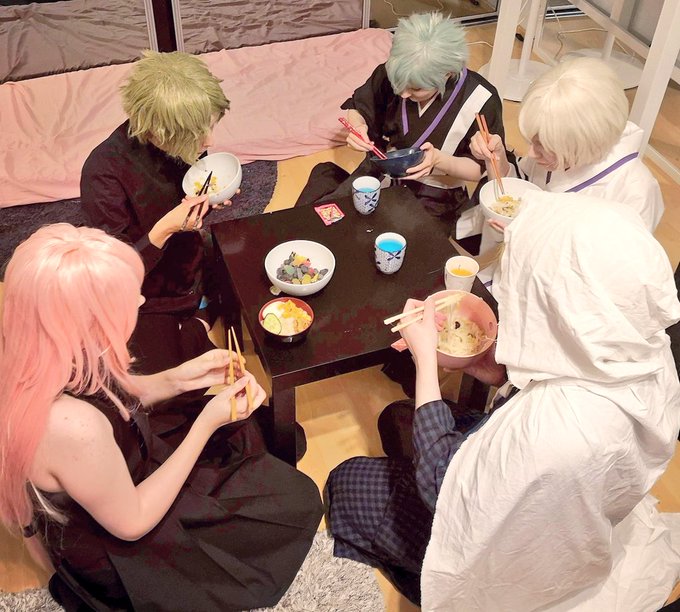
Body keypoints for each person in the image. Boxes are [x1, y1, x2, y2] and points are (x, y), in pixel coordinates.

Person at [325, 193, 680, 610]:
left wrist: (425, 363)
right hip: (549, 493)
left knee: (346, 482)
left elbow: (441, 483)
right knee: (397, 418)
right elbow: (548, 371)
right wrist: (487, 365)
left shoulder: (561, 429)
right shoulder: (646, 349)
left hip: (507, 551)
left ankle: (426, 583)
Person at [0, 224, 323, 611]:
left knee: (257, 442)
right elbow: (131, 522)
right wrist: (206, 423)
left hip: (121, 466)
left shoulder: (39, 348)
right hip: (119, 539)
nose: (139, 300)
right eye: (124, 301)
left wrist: (179, 378)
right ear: (84, 324)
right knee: (293, 501)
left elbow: (116, 396)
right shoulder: (71, 426)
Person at [81, 50, 232, 375]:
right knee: (161, 385)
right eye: (197, 134)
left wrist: (206, 202)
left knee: (256, 273)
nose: (208, 140)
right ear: (159, 131)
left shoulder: (181, 144)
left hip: (191, 264)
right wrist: (166, 228)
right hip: (146, 293)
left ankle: (201, 314)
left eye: (209, 127)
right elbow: (114, 276)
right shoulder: (104, 173)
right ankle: (200, 321)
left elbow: (189, 202)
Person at [296, 12, 506, 234]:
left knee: (393, 242)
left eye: (416, 88)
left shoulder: (481, 99)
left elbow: (479, 170)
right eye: (399, 85)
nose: (403, 93)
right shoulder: (395, 74)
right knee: (321, 224)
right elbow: (359, 107)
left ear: (447, 74)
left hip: (436, 195)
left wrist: (439, 160)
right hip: (377, 175)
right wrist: (358, 127)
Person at [465, 56, 664, 237]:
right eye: (532, 142)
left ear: (584, 142)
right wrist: (496, 159)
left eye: (543, 146)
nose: (531, 153)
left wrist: (532, 235)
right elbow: (519, 191)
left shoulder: (635, 192)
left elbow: (620, 262)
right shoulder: (560, 147)